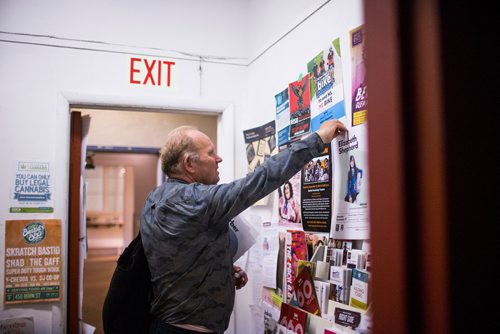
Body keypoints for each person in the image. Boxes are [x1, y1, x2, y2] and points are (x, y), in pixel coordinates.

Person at [140, 119, 347, 334]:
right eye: (210, 153)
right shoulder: (195, 201)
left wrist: (220, 271)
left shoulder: (155, 198)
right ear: (189, 164)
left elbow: (176, 257)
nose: (218, 159)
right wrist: (318, 139)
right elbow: (261, 179)